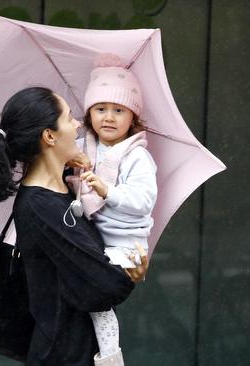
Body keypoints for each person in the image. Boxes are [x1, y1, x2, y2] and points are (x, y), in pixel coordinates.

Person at [0, 86, 148, 366]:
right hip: (64, 355)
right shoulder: (41, 207)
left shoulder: (59, 191)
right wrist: (130, 274)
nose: (79, 124)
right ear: (49, 136)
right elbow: (102, 285)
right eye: (70, 119)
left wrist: (74, 172)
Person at [66, 53, 158, 364]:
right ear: (88, 113)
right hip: (97, 242)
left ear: (133, 118)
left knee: (98, 302)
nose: (109, 117)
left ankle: (110, 357)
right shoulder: (83, 147)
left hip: (128, 248)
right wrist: (69, 174)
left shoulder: (136, 157)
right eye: (100, 108)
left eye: (119, 110)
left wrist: (109, 191)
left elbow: (143, 201)